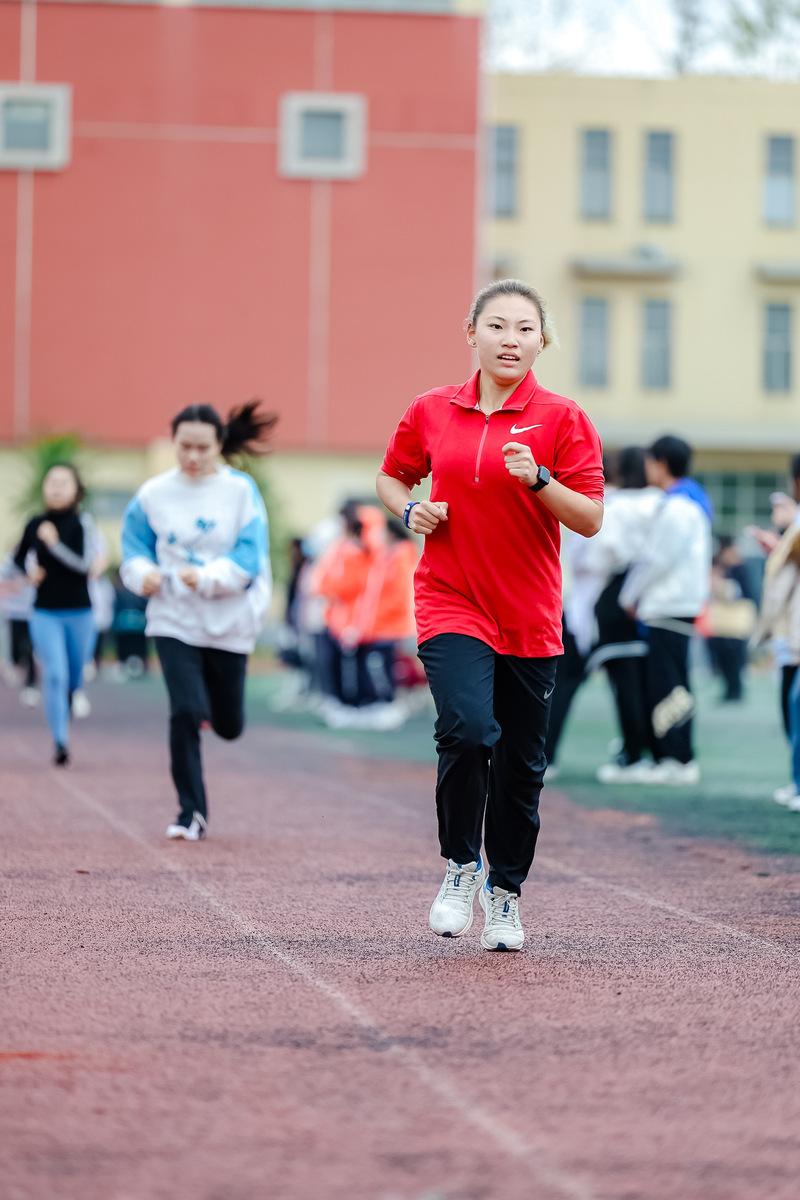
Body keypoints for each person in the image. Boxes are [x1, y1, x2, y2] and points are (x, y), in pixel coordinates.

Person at [376, 278, 604, 951]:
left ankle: (505, 894)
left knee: (521, 768)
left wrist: (538, 478)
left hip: (529, 613)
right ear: (471, 333)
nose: (511, 340)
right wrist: (408, 509)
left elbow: (590, 518)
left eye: (525, 329)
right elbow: (392, 477)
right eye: (497, 326)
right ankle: (460, 866)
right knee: (469, 729)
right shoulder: (431, 409)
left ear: (542, 341)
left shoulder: (562, 418)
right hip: (450, 595)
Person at [120, 401, 275, 840]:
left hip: (229, 622)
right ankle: (191, 812)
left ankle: (214, 706)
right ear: (173, 443)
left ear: (219, 446)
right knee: (185, 711)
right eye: (184, 446)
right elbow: (133, 548)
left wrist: (206, 577)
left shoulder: (240, 491)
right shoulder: (152, 494)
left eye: (202, 448)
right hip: (174, 618)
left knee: (228, 726)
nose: (192, 456)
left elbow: (249, 559)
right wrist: (140, 574)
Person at [619, 435, 712, 785]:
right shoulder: (690, 501)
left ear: (660, 463)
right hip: (679, 604)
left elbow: (655, 560)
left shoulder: (677, 507)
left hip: (668, 605)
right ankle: (676, 756)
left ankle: (677, 759)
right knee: (673, 681)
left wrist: (629, 596)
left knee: (668, 683)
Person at [10, 464, 99, 766]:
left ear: (76, 489)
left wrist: (54, 544)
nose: (57, 487)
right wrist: (29, 571)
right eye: (51, 481)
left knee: (74, 676)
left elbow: (85, 565)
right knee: (55, 673)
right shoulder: (34, 522)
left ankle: (74, 696)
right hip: (44, 611)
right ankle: (60, 742)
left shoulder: (83, 523)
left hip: (80, 612)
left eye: (64, 482)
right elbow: (18, 559)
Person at [584, 446, 662, 782]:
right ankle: (655, 751)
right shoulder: (661, 503)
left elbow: (602, 553)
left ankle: (633, 755)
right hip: (654, 595)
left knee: (625, 683)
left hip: (618, 593)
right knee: (653, 680)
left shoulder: (614, 505)